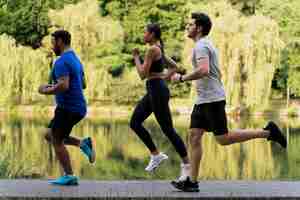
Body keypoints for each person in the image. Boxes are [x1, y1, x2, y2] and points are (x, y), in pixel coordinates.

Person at [170, 12, 287, 192]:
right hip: (203, 100)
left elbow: (203, 70)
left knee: (223, 139)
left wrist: (182, 78)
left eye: (190, 25)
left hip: (212, 100)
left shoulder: (201, 46)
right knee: (194, 136)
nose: (187, 27)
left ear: (199, 28)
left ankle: (267, 132)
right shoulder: (203, 45)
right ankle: (191, 181)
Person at [130, 23, 191, 179]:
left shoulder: (152, 50)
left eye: (145, 32)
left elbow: (142, 74)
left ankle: (187, 165)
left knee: (168, 130)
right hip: (154, 89)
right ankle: (156, 154)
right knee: (135, 122)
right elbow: (175, 66)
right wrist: (163, 77)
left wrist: (136, 57)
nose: (143, 35)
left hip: (157, 90)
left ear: (152, 34)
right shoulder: (158, 48)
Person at [38, 30, 95, 185]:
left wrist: (46, 90)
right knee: (49, 135)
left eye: (53, 42)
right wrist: (54, 85)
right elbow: (82, 84)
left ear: (60, 41)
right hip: (76, 107)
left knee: (56, 140)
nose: (52, 46)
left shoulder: (62, 61)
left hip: (68, 108)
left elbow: (64, 85)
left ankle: (70, 176)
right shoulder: (75, 59)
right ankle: (82, 144)